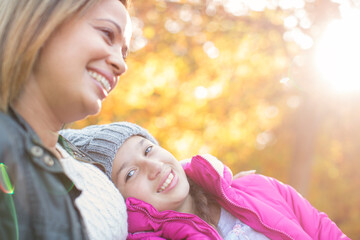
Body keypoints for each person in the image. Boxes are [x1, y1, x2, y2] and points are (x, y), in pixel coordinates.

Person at [61, 122, 350, 240]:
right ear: (119, 200)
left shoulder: (258, 188)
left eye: (148, 149)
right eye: (130, 173)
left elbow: (327, 232)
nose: (153, 166)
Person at [0, 0, 132, 239]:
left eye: (124, 53)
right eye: (107, 34)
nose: (121, 65)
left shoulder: (81, 158)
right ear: (41, 23)